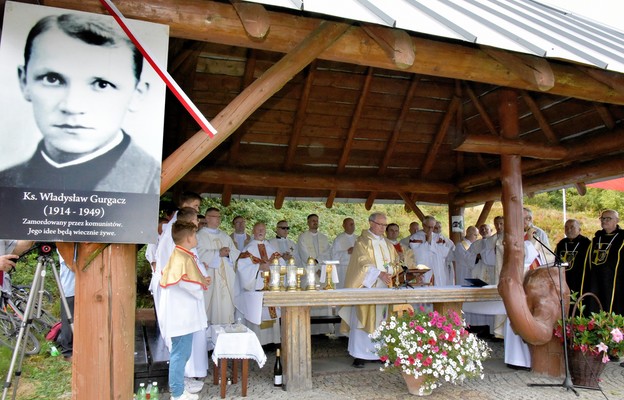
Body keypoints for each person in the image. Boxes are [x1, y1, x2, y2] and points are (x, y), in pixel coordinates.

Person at [0, 13, 159, 193]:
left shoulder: (154, 186)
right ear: (24, 81)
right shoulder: (5, 180)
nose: (72, 106)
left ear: (137, 95)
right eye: (52, 79)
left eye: (102, 84)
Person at [339, 212, 399, 368]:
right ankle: (360, 354)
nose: (383, 228)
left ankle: (382, 352)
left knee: (383, 320)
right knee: (363, 318)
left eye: (385, 225)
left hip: (386, 288)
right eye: (380, 224)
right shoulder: (362, 242)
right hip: (368, 286)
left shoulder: (388, 244)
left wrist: (394, 272)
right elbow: (362, 262)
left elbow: (396, 262)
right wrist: (379, 273)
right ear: (371, 223)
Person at [158, 221, 210, 400]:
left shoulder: (182, 255)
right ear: (188, 238)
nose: (196, 238)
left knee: (183, 352)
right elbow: (186, 283)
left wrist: (201, 281)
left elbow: (190, 280)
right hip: (181, 317)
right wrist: (200, 285)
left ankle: (179, 389)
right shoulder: (181, 257)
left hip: (184, 316)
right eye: (195, 235)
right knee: (180, 354)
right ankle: (177, 393)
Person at [235, 222, 282, 345]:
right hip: (256, 287)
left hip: (270, 286)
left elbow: (282, 263)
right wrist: (258, 267)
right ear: (253, 231)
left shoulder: (271, 247)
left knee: (271, 310)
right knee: (257, 312)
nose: (261, 232)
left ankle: (273, 340)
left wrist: (273, 266)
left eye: (263, 229)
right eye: (258, 229)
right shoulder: (248, 248)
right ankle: (258, 342)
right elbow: (242, 268)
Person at [196, 207, 240, 326]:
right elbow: (198, 254)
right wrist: (217, 253)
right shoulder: (200, 235)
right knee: (210, 306)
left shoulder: (225, 236)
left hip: (225, 279)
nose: (219, 219)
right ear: (208, 218)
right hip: (210, 277)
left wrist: (228, 253)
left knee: (225, 306)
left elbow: (235, 253)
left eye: (220, 217)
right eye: (216, 217)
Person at [583, 209, 624, 316]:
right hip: (596, 281)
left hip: (615, 282)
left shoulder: (622, 239)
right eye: (602, 218)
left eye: (608, 218)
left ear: (617, 220)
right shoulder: (596, 239)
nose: (604, 221)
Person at [409, 216, 451, 286]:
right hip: (424, 268)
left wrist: (430, 244)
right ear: (423, 225)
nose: (431, 229)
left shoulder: (439, 237)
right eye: (429, 227)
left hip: (438, 268)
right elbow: (416, 253)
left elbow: (444, 253)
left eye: (433, 227)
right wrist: (428, 242)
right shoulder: (415, 237)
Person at [555, 219, 590, 297]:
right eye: (566, 227)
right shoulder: (561, 244)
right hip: (563, 280)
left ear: (579, 229)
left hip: (579, 281)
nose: (569, 230)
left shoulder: (586, 244)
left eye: (572, 227)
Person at [56, 251, 75, 362]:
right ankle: (67, 353)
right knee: (68, 321)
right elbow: (71, 265)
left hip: (83, 288)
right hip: (69, 289)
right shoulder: (64, 246)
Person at [330, 217, 357, 288]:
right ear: (344, 226)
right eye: (350, 224)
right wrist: (347, 252)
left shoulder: (358, 239)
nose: (353, 226)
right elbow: (334, 256)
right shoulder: (338, 239)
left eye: (353, 224)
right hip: (343, 270)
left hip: (356, 269)